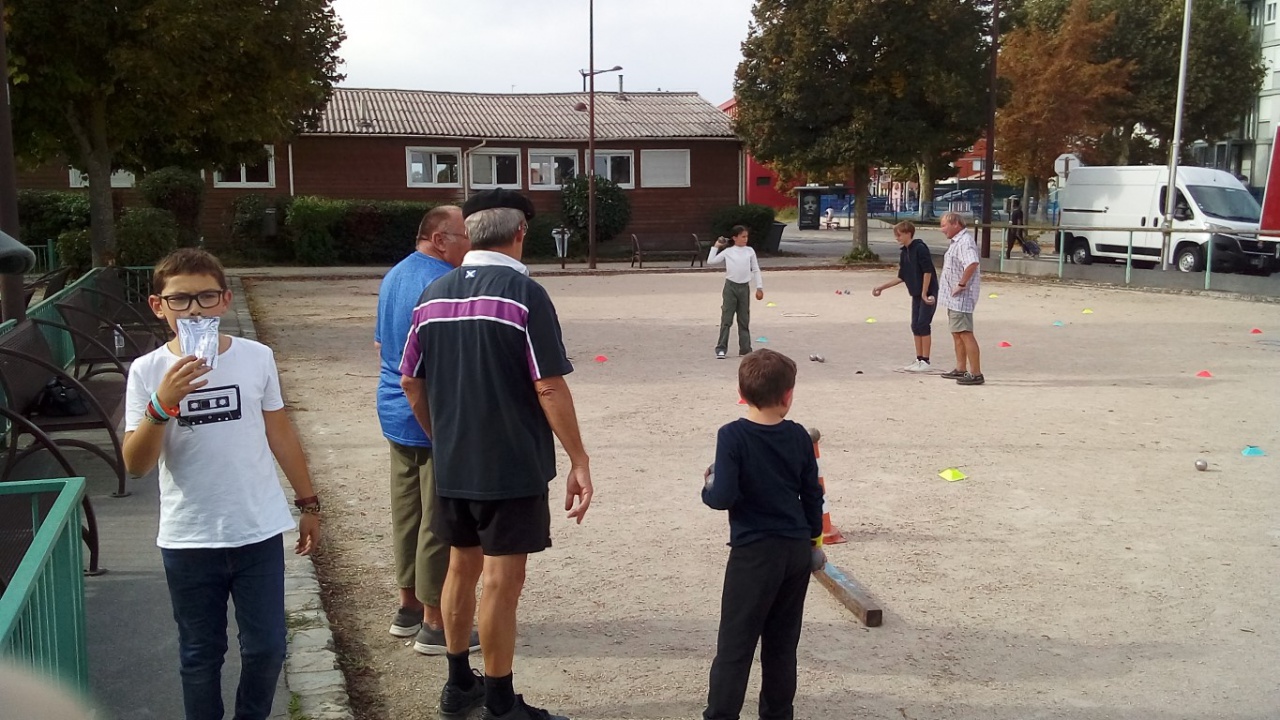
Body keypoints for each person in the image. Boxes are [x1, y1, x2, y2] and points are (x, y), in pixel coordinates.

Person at [399, 188, 593, 720]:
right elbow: (547, 385)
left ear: (471, 233)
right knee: (502, 582)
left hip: (454, 461)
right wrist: (578, 459)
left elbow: (410, 379)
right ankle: (502, 703)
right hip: (510, 463)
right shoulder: (524, 294)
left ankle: (459, 684)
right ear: (520, 232)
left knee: (460, 568)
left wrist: (442, 436)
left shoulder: (433, 293)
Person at [121, 248, 322, 720]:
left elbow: (280, 432)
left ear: (226, 300)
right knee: (200, 655)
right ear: (158, 307)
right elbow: (135, 465)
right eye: (180, 300)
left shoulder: (256, 357)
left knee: (267, 648)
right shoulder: (147, 370)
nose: (195, 310)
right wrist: (162, 404)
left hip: (256, 530)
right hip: (189, 537)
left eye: (206, 297)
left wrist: (309, 503)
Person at [374, 205, 481, 655]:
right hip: (430, 412)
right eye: (465, 236)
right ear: (440, 239)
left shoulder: (395, 275)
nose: (471, 246)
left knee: (408, 514)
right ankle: (435, 622)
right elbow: (444, 360)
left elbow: (382, 343)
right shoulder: (442, 285)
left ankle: (408, 607)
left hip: (393, 410)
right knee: (440, 519)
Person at [701, 349, 825, 720]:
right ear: (788, 395)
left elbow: (722, 497)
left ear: (741, 393)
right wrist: (814, 541)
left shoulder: (732, 436)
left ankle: (721, 715)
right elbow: (812, 494)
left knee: (736, 645)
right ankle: (778, 714)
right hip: (794, 551)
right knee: (782, 645)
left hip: (754, 553)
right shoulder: (799, 436)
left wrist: (708, 485)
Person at [872, 220, 939, 373]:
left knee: (923, 323)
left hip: (928, 292)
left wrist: (924, 292)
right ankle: (919, 358)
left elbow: (927, 271)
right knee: (915, 325)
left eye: (899, 235)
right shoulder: (904, 252)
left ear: (908, 234)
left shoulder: (920, 248)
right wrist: (882, 287)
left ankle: (926, 360)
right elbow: (901, 276)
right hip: (916, 293)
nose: (897, 238)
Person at [938, 212, 984, 385]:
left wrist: (961, 284)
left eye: (944, 225)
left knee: (965, 333)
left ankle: (976, 373)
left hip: (961, 297)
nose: (942, 229)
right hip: (953, 298)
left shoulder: (965, 241)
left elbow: (972, 263)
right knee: (957, 333)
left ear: (955, 224)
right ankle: (960, 368)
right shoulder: (956, 241)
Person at [708, 225, 764, 360]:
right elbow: (710, 261)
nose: (745, 239)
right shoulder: (728, 252)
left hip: (744, 287)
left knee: (744, 319)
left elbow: (755, 269)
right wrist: (716, 246)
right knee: (727, 319)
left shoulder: (749, 251)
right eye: (743, 237)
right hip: (730, 287)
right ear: (735, 238)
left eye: (746, 236)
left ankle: (745, 349)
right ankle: (721, 348)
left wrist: (759, 287)